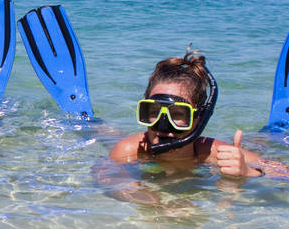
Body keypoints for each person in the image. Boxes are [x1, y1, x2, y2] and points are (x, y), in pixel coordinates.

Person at [108, 50, 269, 178]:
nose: (163, 125)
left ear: (199, 118)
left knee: (262, 140)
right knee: (107, 133)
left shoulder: (211, 153)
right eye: (154, 111)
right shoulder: (130, 150)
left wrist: (248, 172)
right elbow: (106, 177)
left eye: (178, 114)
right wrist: (146, 198)